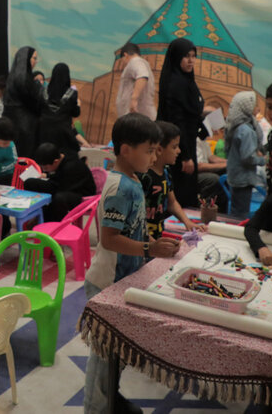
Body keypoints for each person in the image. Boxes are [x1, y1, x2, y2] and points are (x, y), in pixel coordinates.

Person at [84, 114, 179, 414]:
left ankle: (110, 399)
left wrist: (153, 246)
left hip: (123, 279)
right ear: (126, 150)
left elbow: (133, 228)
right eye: (149, 150)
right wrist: (150, 247)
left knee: (117, 352)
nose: (154, 157)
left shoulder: (135, 180)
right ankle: (96, 408)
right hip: (106, 282)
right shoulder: (119, 188)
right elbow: (110, 239)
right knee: (103, 357)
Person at [156, 38, 205, 209]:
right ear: (177, 57)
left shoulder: (187, 80)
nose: (191, 60)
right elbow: (177, 123)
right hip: (178, 149)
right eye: (186, 56)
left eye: (193, 56)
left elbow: (190, 111)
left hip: (187, 143)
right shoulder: (176, 84)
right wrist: (185, 156)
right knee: (181, 193)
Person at [142, 121, 195, 239]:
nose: (179, 151)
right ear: (159, 150)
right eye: (174, 147)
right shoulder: (144, 176)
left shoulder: (166, 171)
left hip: (157, 237)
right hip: (144, 241)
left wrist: (187, 222)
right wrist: (152, 244)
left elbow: (172, 203)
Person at [23, 142, 96, 222]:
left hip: (81, 193)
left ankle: (54, 224)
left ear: (55, 161)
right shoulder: (61, 156)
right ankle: (35, 214)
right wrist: (47, 175)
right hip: (65, 184)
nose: (44, 170)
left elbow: (60, 187)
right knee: (30, 183)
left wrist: (48, 180)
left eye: (46, 168)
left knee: (58, 198)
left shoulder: (71, 166)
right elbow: (58, 178)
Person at [224, 91, 266, 219]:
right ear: (247, 107)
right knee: (240, 215)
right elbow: (248, 158)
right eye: (255, 105)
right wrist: (264, 160)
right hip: (243, 179)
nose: (258, 109)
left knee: (235, 211)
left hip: (235, 177)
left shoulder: (236, 127)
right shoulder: (247, 131)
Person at [3, 47, 45, 157]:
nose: (36, 61)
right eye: (34, 58)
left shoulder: (11, 77)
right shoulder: (24, 79)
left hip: (10, 124)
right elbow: (34, 102)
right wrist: (39, 87)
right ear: (26, 59)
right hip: (25, 126)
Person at [39, 62, 82, 155]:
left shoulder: (43, 91)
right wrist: (78, 105)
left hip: (44, 132)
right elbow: (75, 113)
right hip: (63, 133)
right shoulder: (72, 93)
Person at [116, 42, 156, 120]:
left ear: (125, 55)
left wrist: (134, 99)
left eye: (122, 60)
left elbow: (142, 75)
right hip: (138, 117)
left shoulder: (135, 62)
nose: (124, 63)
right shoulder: (142, 63)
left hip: (137, 118)